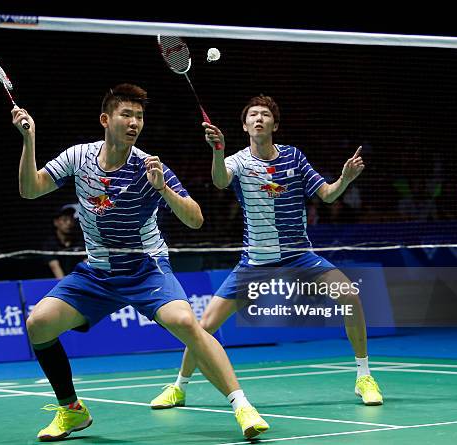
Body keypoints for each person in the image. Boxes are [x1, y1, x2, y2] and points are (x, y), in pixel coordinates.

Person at [12, 84, 269, 441]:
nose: (135, 123)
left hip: (146, 268)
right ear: (106, 119)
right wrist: (29, 140)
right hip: (99, 272)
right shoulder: (78, 157)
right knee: (38, 324)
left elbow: (195, 219)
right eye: (126, 115)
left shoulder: (148, 166)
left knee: (185, 322)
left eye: (140, 116)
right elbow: (31, 188)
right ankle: (71, 411)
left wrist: (163, 188)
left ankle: (242, 405)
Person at [150, 94, 383, 410]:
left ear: (275, 123)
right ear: (245, 126)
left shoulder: (294, 157)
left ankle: (364, 376)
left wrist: (344, 179)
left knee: (350, 297)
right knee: (203, 326)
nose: (258, 118)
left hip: (299, 256)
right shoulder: (238, 161)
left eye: (265, 114)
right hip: (256, 262)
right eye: (252, 115)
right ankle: (179, 386)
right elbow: (220, 181)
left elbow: (327, 196)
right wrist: (218, 151)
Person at [42, 204, 85, 279]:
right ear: (56, 222)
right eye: (65, 219)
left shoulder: (80, 242)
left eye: (71, 219)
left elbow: (86, 263)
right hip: (56, 285)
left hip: (78, 281)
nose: (69, 223)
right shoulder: (50, 245)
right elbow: (55, 267)